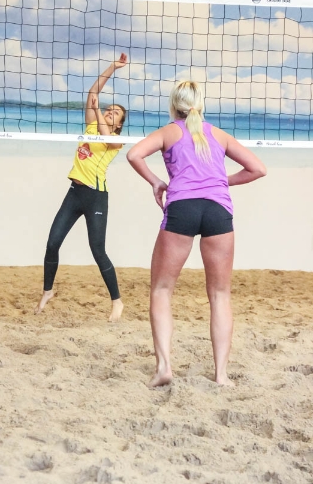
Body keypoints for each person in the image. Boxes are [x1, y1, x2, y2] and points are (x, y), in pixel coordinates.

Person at [126, 80, 267, 387]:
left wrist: (156, 182)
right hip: (218, 210)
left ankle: (164, 368)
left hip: (183, 208)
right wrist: (220, 181)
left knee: (162, 290)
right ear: (200, 105)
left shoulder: (169, 132)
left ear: (173, 105)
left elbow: (134, 154)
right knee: (220, 294)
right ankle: (221, 375)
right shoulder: (218, 134)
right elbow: (258, 169)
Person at [35, 54, 128, 322]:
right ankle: (48, 291)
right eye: (108, 109)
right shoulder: (92, 125)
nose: (109, 112)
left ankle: (117, 301)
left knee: (98, 251)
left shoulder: (117, 140)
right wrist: (113, 68)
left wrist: (99, 112)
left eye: (115, 113)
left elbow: (105, 135)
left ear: (119, 124)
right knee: (52, 243)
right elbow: (92, 93)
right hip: (74, 193)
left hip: (96, 197)